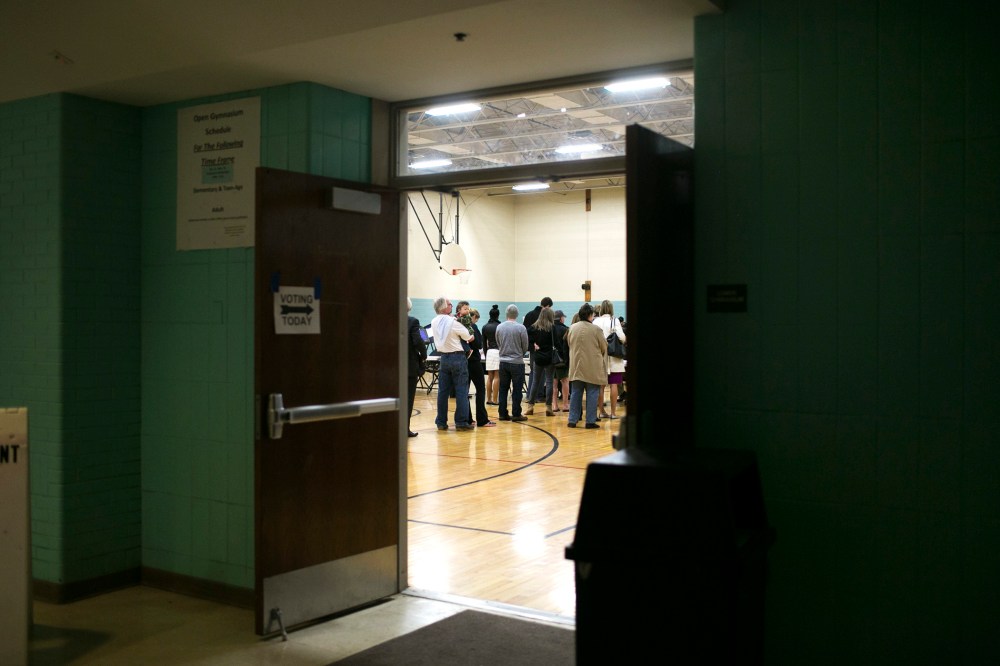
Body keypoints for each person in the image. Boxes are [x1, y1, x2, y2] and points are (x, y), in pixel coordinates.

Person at [430, 296, 475, 431]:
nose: (451, 306)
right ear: (444, 307)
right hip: (458, 358)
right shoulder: (453, 321)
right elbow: (469, 337)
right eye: (449, 304)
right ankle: (461, 422)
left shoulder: (433, 321)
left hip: (444, 358)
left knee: (442, 392)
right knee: (461, 390)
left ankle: (441, 421)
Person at [565, 302, 607, 429]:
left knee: (576, 393)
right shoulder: (596, 329)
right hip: (592, 366)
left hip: (576, 365)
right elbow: (604, 346)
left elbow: (569, 343)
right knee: (592, 393)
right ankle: (590, 421)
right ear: (590, 315)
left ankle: (572, 420)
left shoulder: (572, 328)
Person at [495, 304, 529, 422]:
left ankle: (502, 413)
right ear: (517, 315)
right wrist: (519, 353)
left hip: (503, 362)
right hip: (517, 362)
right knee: (517, 389)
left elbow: (498, 342)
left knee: (503, 388)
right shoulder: (521, 328)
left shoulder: (499, 327)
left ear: (506, 314)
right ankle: (516, 413)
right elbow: (525, 346)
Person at [463, 305, 495, 427]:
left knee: (464, 391)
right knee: (480, 389)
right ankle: (482, 419)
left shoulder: (461, 326)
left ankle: (468, 418)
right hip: (474, 361)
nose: (476, 321)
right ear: (474, 317)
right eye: (476, 319)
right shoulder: (473, 326)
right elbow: (479, 344)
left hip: (464, 361)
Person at [595, 299, 626, 420]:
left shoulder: (596, 321)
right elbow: (622, 338)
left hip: (600, 356)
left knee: (601, 386)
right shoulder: (615, 320)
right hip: (614, 356)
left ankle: (602, 411)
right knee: (614, 384)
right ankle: (613, 413)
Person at [525, 308, 556, 416]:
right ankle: (548, 407)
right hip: (549, 357)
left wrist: (533, 344)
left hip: (538, 357)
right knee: (549, 382)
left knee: (535, 382)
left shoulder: (534, 327)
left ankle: (530, 406)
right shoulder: (552, 328)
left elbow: (525, 334)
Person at [522, 296, 552, 402]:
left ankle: (530, 396)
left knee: (533, 372)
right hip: (544, 349)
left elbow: (525, 332)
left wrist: (531, 343)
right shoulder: (546, 316)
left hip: (532, 348)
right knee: (544, 374)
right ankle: (539, 395)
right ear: (547, 306)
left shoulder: (529, 314)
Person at [406, 298, 427, 438]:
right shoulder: (412, 321)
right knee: (408, 398)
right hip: (408, 366)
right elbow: (418, 342)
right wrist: (424, 355)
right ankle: (404, 428)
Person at [550, 310, 570, 412]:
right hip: (562, 359)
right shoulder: (565, 329)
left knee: (554, 383)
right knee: (565, 381)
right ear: (561, 318)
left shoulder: (549, 329)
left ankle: (554, 405)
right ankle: (566, 404)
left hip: (552, 359)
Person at [481, 305, 501, 405]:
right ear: (498, 315)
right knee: (497, 376)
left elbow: (484, 343)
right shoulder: (500, 326)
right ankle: (495, 399)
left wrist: (486, 354)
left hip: (489, 352)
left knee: (490, 377)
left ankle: (488, 399)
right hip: (498, 351)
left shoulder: (485, 327)